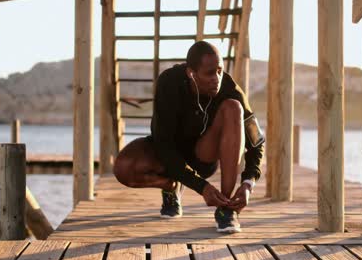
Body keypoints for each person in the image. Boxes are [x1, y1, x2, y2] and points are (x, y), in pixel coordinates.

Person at [113, 40, 265, 233]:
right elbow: (163, 144)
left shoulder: (229, 88)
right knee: (123, 168)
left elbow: (256, 141)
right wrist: (201, 187)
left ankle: (226, 207)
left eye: (219, 70)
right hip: (168, 155)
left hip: (203, 156)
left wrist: (248, 183)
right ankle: (171, 185)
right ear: (191, 73)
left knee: (234, 107)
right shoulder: (169, 82)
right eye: (210, 73)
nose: (216, 78)